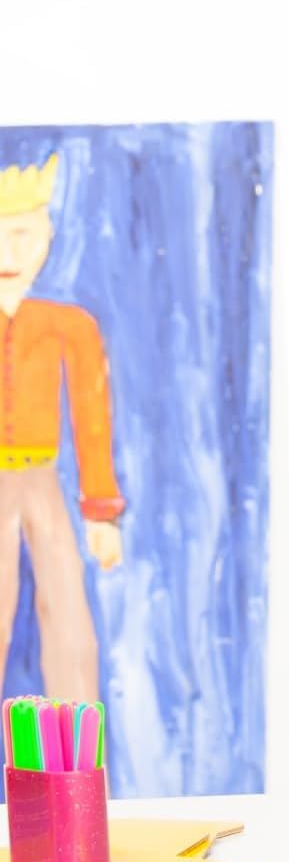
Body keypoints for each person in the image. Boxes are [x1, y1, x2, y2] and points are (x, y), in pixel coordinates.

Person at [0, 153, 124, 702]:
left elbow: (91, 418)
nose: (9, 255)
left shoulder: (68, 326)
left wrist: (100, 513)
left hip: (42, 478)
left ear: (46, 236)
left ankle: (74, 748)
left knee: (68, 612)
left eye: (22, 235)